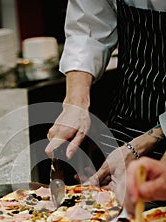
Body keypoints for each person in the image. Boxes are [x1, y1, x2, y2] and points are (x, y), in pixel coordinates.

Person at [45, 0, 166, 192]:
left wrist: (148, 141)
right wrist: (75, 105)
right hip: (130, 112)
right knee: (109, 208)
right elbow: (87, 29)